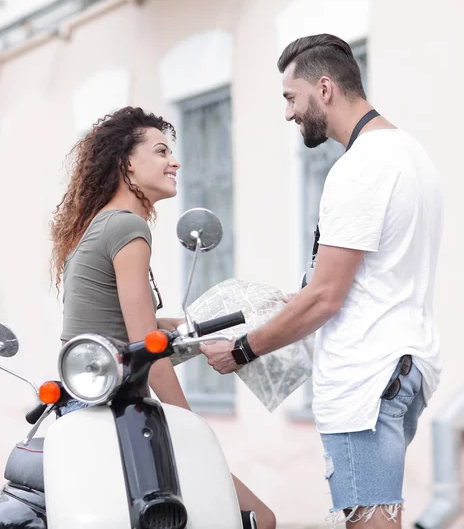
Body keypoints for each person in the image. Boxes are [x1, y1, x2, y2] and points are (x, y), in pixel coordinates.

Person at [201, 35, 444, 528]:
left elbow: (327, 298)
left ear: (325, 88)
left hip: (365, 379)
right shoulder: (410, 155)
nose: (289, 114)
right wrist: (297, 301)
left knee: (369, 523)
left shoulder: (359, 169)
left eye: (291, 97)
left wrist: (244, 349)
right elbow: (359, 280)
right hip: (404, 365)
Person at [50, 106, 275, 529]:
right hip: (123, 414)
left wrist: (199, 324)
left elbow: (123, 325)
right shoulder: (128, 229)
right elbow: (144, 348)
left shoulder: (100, 226)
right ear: (126, 163)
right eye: (160, 151)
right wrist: (191, 424)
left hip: (86, 408)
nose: (174, 161)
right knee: (260, 519)